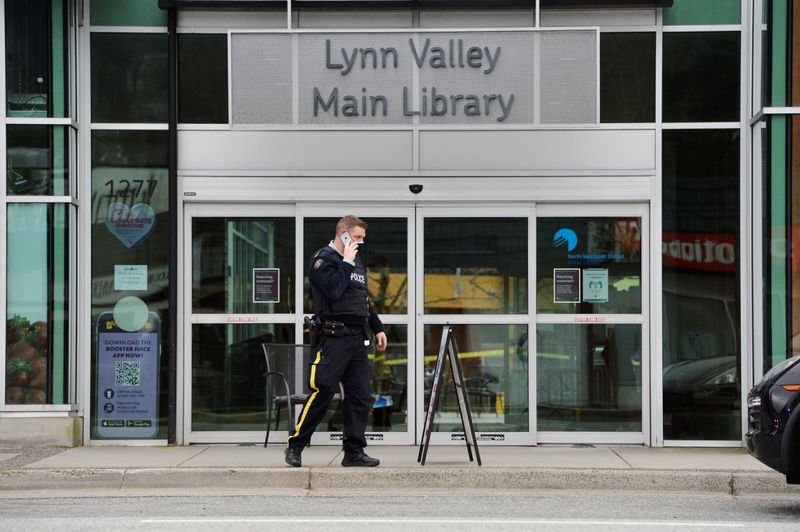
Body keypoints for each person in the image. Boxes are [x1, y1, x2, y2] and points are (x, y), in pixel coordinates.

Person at [285, 215, 388, 467]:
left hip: (356, 339)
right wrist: (347, 262)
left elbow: (362, 300)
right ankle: (295, 445)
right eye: (357, 237)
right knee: (323, 392)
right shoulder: (323, 260)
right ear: (342, 233)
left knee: (360, 397)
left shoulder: (355, 262)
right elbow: (333, 289)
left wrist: (377, 328)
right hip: (332, 339)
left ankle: (353, 452)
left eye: (362, 238)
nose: (361, 242)